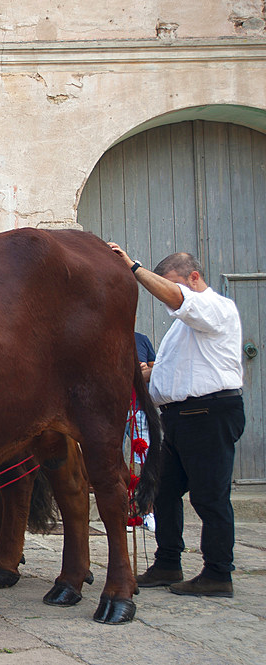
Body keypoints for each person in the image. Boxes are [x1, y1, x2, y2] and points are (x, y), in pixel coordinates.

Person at [108, 244, 244, 598]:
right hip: (181, 420)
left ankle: (218, 573)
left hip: (208, 415)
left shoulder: (213, 307)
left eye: (173, 286)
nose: (167, 296)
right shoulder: (185, 326)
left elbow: (179, 300)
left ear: (193, 278)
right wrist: (150, 371)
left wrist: (134, 268)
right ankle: (168, 562)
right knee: (163, 491)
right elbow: (188, 362)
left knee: (210, 496)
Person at [128, 331, 157, 531]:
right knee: (116, 463)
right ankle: (124, 514)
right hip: (112, 411)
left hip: (139, 406)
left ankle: (147, 512)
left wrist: (146, 368)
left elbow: (156, 369)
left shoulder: (142, 339)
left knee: (145, 462)